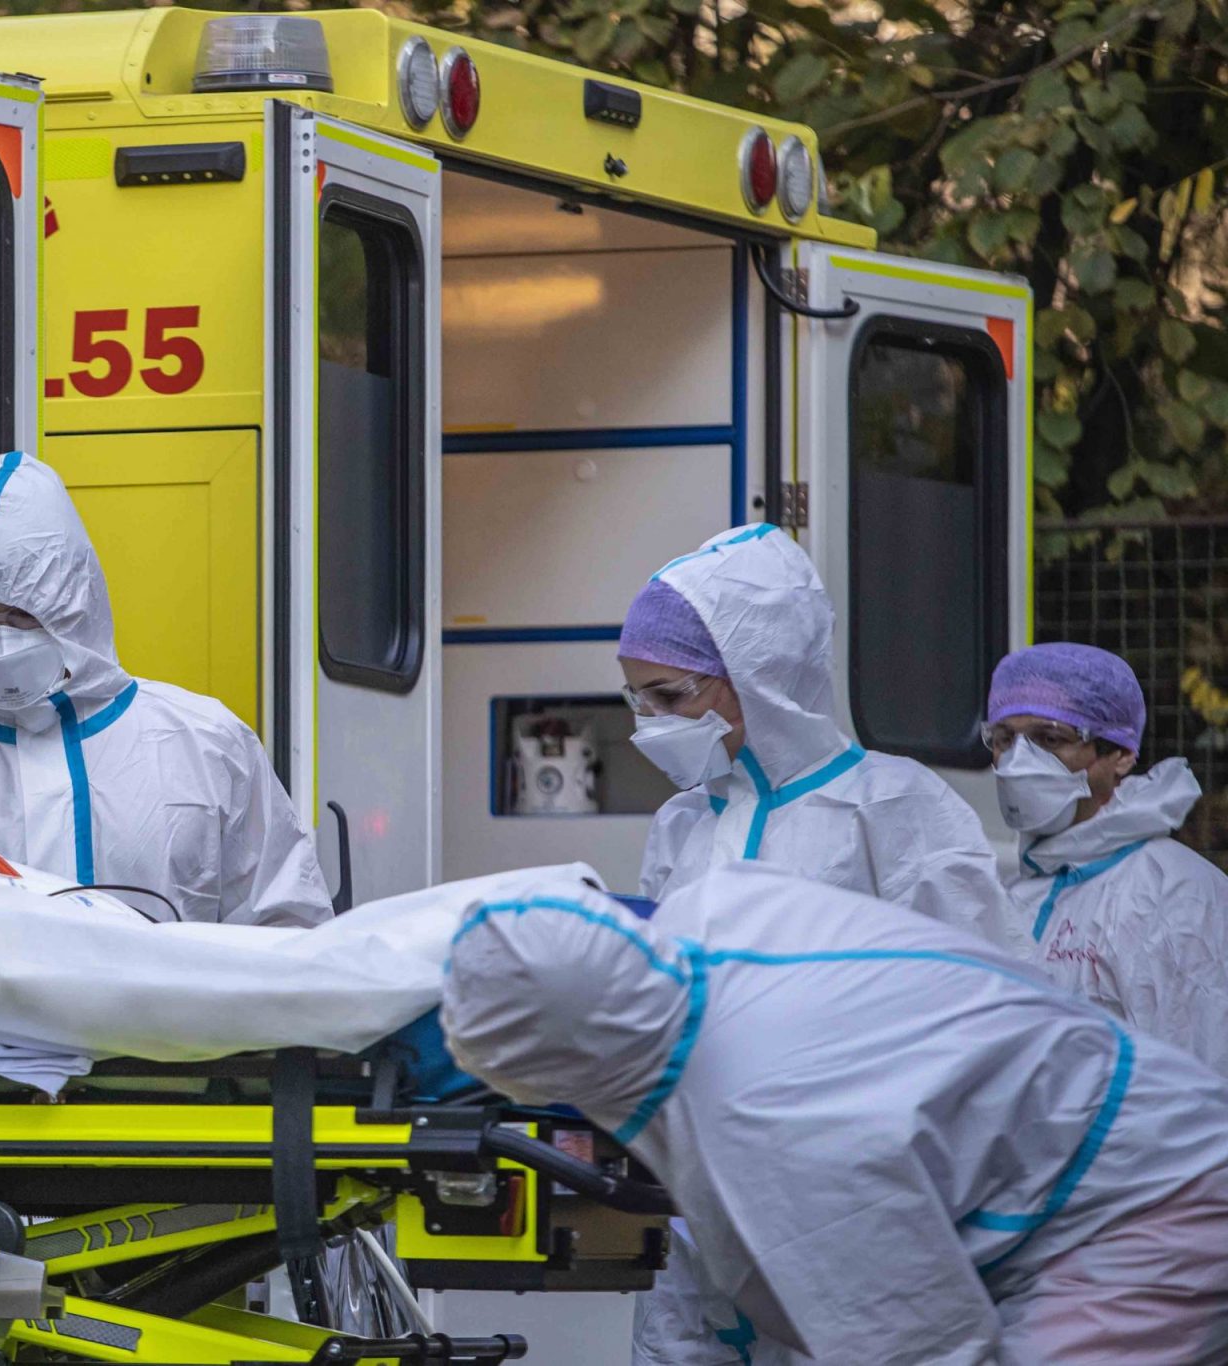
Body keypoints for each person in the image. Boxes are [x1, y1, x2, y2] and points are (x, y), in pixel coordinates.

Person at [442, 862, 1228, 1363]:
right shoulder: (718, 908)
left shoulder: (770, 1123)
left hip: (1145, 1205)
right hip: (1117, 1135)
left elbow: (921, 1349)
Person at [0, 451, 331, 927]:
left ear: (74, 600)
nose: (0, 641)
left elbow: (285, 927)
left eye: (22, 614)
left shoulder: (207, 746)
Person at [617, 523, 1025, 956]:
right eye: (638, 699)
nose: (651, 723)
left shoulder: (893, 806)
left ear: (759, 677)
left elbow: (982, 974)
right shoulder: (681, 822)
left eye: (669, 696)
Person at [985, 641, 1228, 1074]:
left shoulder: (1175, 895)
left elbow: (1196, 1081)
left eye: (1050, 739)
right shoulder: (1013, 889)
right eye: (1005, 739)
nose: (1018, 762)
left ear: (1120, 754)